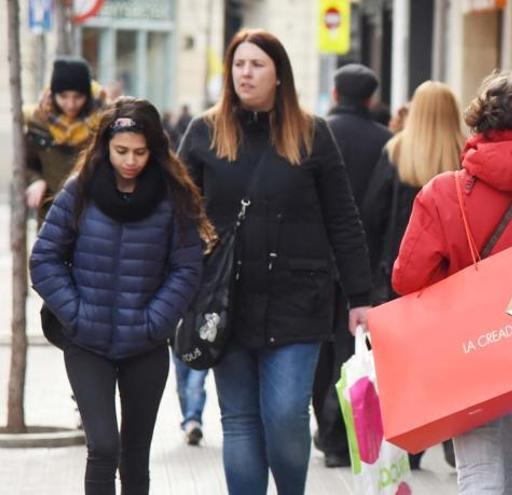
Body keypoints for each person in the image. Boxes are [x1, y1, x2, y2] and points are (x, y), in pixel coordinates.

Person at [177, 29, 372, 495]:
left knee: (285, 416)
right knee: (241, 421)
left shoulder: (312, 134)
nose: (245, 72)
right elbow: (179, 217)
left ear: (279, 75)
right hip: (226, 303)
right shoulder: (204, 132)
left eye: (257, 64)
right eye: (239, 64)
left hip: (298, 301)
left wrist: (361, 297)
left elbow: (343, 218)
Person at [392, 71, 512, 494]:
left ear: (478, 121)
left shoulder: (444, 192)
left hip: (468, 354)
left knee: (476, 477)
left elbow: (407, 278)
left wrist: (460, 286)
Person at [29, 97, 211, 495]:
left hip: (144, 345)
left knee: (134, 455)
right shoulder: (80, 192)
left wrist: (155, 321)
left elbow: (187, 267)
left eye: (140, 152)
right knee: (103, 447)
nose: (130, 160)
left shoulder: (173, 197)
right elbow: (44, 259)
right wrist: (75, 314)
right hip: (87, 343)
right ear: (105, 147)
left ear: (155, 150)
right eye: (121, 151)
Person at [360, 80, 466, 470]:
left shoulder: (397, 152)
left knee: (407, 368)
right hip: (452, 283)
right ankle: (454, 439)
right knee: (449, 363)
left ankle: (413, 445)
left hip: (401, 278)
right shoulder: (464, 156)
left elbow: (372, 216)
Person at [311, 63, 393, 468]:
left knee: (320, 350)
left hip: (315, 259)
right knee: (351, 349)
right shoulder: (387, 142)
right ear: (372, 99)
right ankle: (342, 432)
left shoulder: (317, 135)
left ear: (335, 94)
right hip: (365, 262)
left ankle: (326, 432)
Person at [24, 57, 103, 222]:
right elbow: (28, 163)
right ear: (53, 94)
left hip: (93, 211)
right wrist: (36, 181)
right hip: (51, 211)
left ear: (87, 95)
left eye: (78, 96)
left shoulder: (103, 121)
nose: (71, 104)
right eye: (63, 96)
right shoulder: (39, 121)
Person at [172, 355, 209, 446]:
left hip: (203, 345)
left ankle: (192, 420)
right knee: (182, 386)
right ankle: (189, 423)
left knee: (195, 385)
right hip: (178, 344)